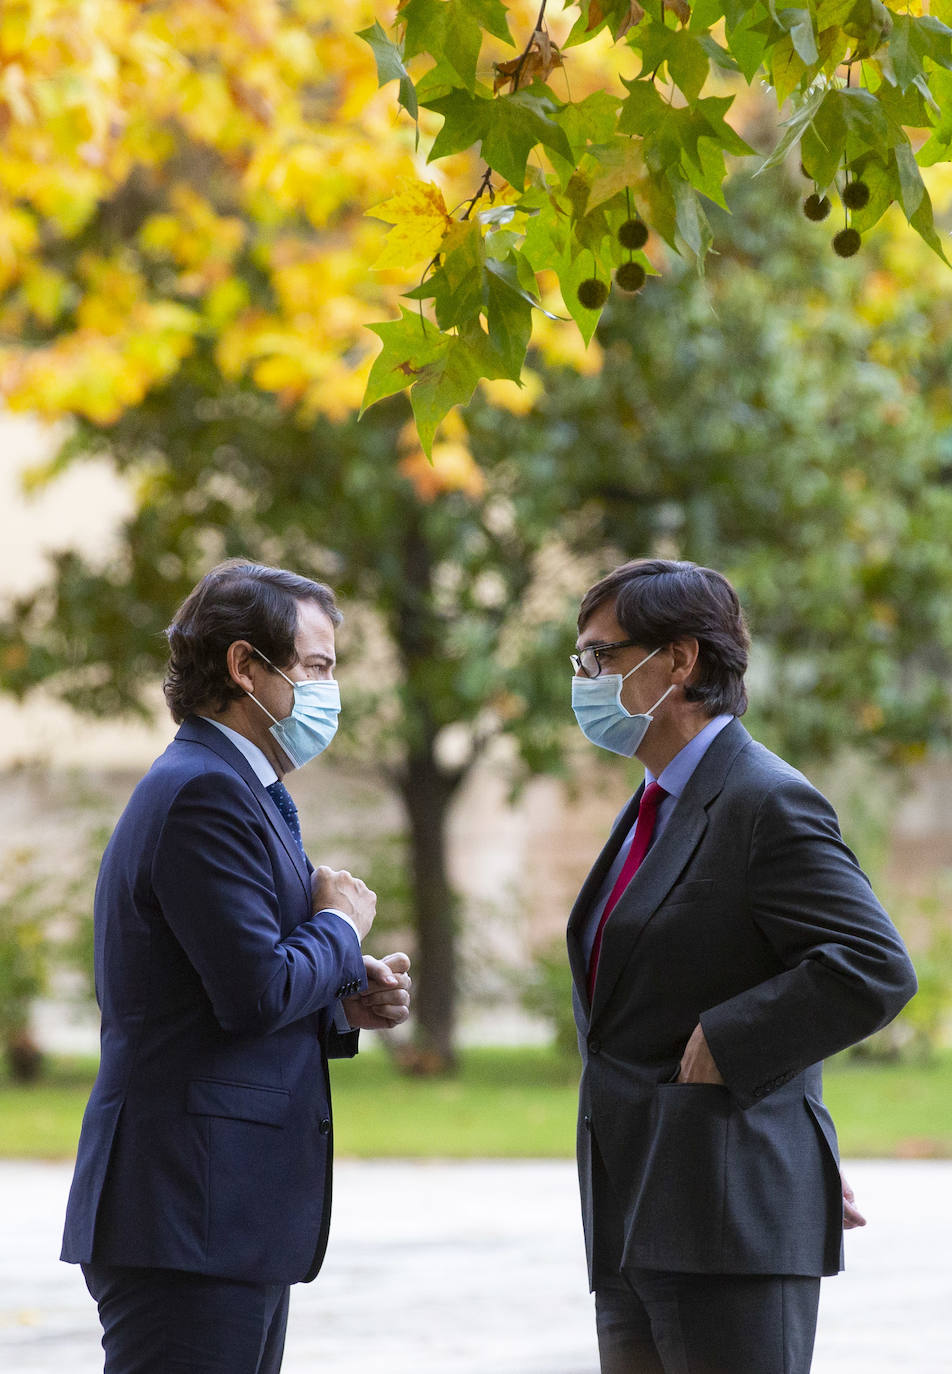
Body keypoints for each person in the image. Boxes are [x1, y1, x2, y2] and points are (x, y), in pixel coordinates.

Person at [567, 558, 917, 1374]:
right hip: (635, 1216)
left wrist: (732, 1041)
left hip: (726, 1224)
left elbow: (872, 965)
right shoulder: (655, 803)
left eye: (601, 657)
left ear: (680, 661)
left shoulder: (765, 799)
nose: (585, 679)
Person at [61, 558, 411, 1374]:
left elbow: (215, 985)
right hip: (185, 1211)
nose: (331, 690)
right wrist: (336, 925)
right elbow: (253, 992)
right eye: (318, 668)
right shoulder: (204, 793)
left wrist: (342, 997)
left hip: (218, 1217)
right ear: (246, 667)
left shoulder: (239, 788)